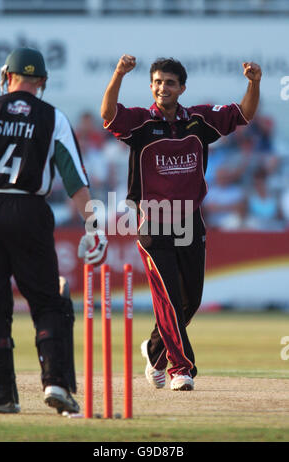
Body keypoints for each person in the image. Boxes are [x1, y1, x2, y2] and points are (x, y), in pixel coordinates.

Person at [101, 54, 261, 391]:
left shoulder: (199, 120)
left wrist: (254, 83)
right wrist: (118, 74)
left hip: (191, 221)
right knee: (170, 299)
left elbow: (243, 114)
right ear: (151, 87)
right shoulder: (142, 123)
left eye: (170, 83)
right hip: (153, 223)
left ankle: (155, 350)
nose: (163, 87)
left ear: (181, 88)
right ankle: (181, 369)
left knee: (192, 300)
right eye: (158, 82)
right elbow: (108, 114)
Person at [0, 48, 107, 414]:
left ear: (6, 75)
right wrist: (95, 226)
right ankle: (55, 382)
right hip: (29, 211)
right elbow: (74, 179)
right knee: (46, 301)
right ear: (42, 82)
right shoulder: (52, 117)